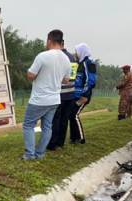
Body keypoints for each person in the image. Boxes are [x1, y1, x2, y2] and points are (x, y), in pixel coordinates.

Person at [22, 30, 72, 160]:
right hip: (55, 99)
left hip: (39, 99)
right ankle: (40, 154)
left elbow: (31, 75)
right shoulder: (66, 59)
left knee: (28, 125)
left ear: (49, 40)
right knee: (47, 126)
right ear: (61, 42)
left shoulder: (42, 56)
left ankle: (29, 154)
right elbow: (66, 80)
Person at [47, 41, 78, 150]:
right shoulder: (72, 57)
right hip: (70, 94)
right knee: (64, 120)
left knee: (55, 119)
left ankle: (52, 144)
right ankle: (60, 143)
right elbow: (72, 77)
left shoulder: (57, 57)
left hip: (59, 94)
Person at [71, 43, 97, 145]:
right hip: (75, 95)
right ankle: (74, 138)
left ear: (81, 52)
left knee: (75, 115)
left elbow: (91, 81)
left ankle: (81, 138)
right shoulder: (79, 64)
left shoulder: (89, 64)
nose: (75, 54)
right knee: (71, 115)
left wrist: (84, 95)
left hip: (83, 97)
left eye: (76, 51)